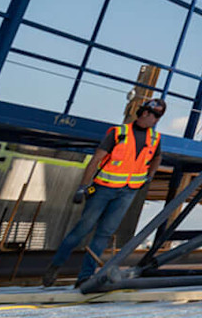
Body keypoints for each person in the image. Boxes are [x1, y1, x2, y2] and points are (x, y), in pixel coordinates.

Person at [42, 98, 165, 287]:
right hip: (103, 189)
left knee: (104, 234)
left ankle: (85, 277)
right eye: (155, 115)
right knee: (82, 230)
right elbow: (96, 159)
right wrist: (83, 187)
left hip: (128, 192)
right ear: (144, 113)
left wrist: (150, 175)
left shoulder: (154, 139)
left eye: (160, 116)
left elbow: (157, 157)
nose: (156, 120)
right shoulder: (118, 133)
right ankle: (55, 267)